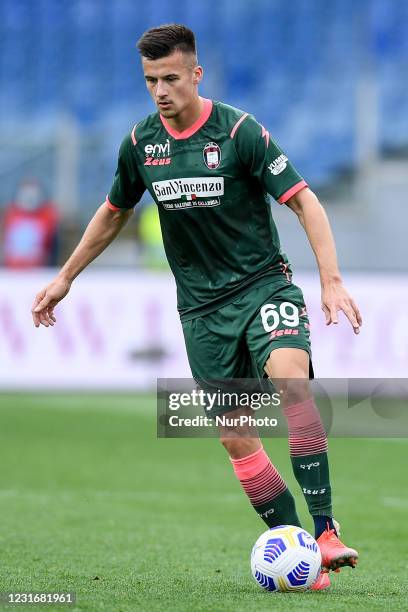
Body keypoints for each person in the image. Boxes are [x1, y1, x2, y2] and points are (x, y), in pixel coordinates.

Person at [32, 24, 362, 590]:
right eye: (150, 81)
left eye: (170, 78)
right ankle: (304, 558)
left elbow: (305, 201)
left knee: (292, 382)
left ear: (195, 74)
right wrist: (64, 277)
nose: (160, 90)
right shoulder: (141, 144)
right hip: (202, 313)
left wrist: (330, 280)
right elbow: (113, 211)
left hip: (264, 287)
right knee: (237, 437)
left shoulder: (239, 131)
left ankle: (327, 530)